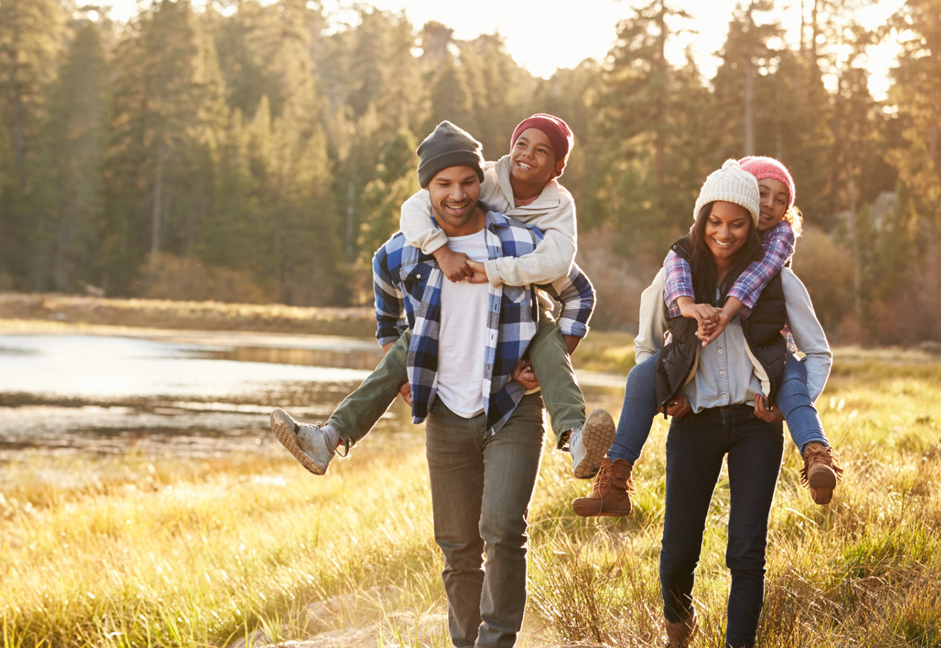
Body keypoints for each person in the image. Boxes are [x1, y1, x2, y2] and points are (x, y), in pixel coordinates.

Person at [299, 121, 553, 647]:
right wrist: (399, 380)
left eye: (467, 182)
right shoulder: (395, 254)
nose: (457, 194)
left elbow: (580, 294)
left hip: (511, 405)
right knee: (458, 545)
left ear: (480, 182)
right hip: (444, 412)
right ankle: (466, 643)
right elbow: (388, 325)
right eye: (444, 184)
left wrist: (552, 356)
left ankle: (497, 641)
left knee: (504, 530)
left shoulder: (519, 240)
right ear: (426, 188)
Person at [271, 114, 613, 480]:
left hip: (526, 309)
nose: (526, 154)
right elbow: (415, 208)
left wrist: (541, 358)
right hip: (450, 311)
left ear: (558, 167)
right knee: (410, 345)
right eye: (521, 144)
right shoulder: (483, 180)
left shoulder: (557, 210)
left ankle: (576, 437)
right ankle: (328, 437)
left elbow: (564, 267)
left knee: (547, 341)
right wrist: (440, 251)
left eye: (542, 150)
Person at [597, 161, 831, 647]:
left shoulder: (778, 282)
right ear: (703, 220)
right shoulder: (674, 279)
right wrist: (670, 397)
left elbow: (817, 351)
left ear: (751, 227)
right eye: (716, 222)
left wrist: (791, 403)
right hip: (695, 424)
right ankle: (678, 632)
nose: (725, 233)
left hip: (755, 426)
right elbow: (646, 351)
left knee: (747, 552)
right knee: (678, 553)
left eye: (738, 223)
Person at [571, 156, 842, 518]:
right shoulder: (684, 257)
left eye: (781, 200)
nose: (770, 206)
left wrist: (726, 312)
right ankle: (615, 477)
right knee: (640, 377)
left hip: (767, 364)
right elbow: (655, 322)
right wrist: (669, 389)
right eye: (762, 194)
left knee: (792, 382)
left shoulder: (775, 256)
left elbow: (759, 279)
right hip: (694, 390)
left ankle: (817, 454)